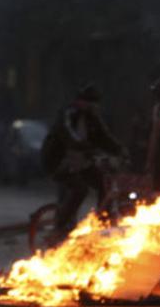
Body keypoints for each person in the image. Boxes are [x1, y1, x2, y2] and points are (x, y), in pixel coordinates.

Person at [46, 84, 125, 235]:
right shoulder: (68, 113)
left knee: (103, 183)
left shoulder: (92, 117)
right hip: (59, 161)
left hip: (81, 162)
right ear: (80, 101)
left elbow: (104, 137)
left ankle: (103, 221)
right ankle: (60, 226)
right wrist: (84, 146)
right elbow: (68, 134)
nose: (93, 107)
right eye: (89, 103)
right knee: (79, 189)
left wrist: (119, 150)